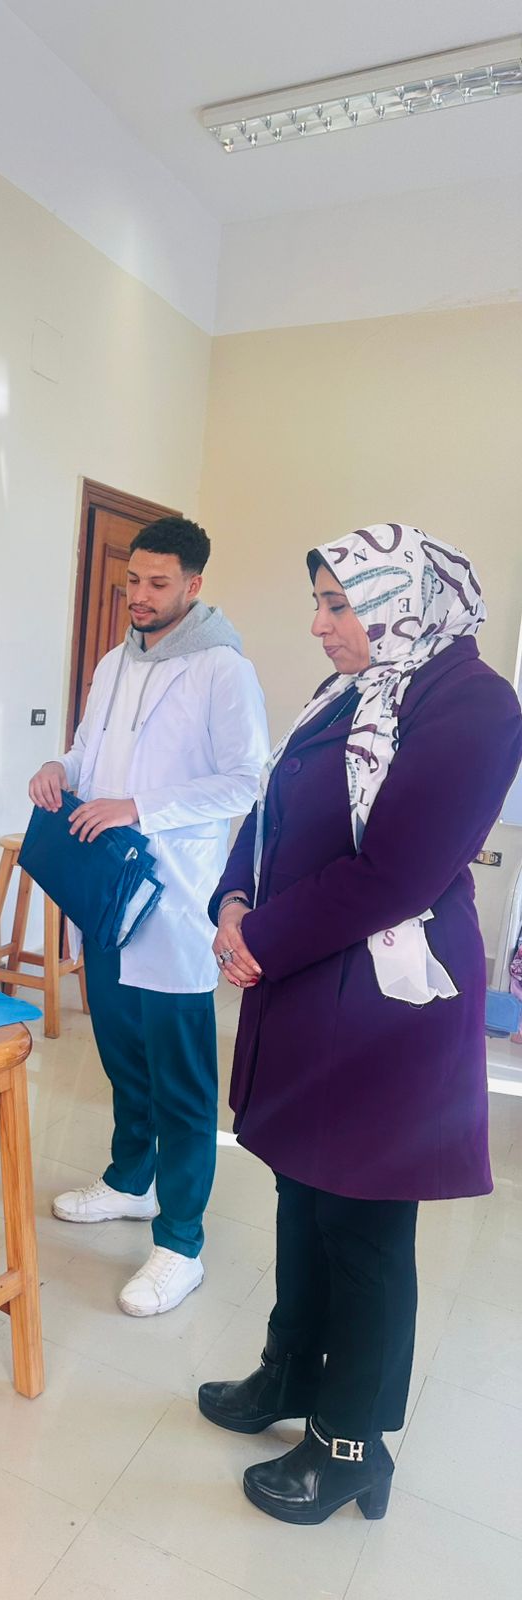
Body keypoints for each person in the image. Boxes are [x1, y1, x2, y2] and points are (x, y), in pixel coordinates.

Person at [198, 526, 522, 1525]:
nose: (320, 624)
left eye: (340, 604)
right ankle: (290, 1371)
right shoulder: (351, 692)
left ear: (401, 602)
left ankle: (349, 1444)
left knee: (365, 1223)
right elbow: (272, 807)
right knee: (304, 1193)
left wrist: (262, 937)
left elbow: (399, 871)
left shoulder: (472, 704)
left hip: (388, 1007)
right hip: (309, 979)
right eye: (320, 602)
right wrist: (233, 899)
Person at [30, 518, 268, 1315]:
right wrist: (59, 768)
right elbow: (86, 750)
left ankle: (181, 1242)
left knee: (182, 1079)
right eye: (133, 580)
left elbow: (246, 781)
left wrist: (140, 806)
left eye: (158, 583)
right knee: (122, 1053)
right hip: (106, 889)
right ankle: (131, 1180)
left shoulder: (222, 669)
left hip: (173, 899)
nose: (139, 595)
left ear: (193, 586)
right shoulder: (113, 663)